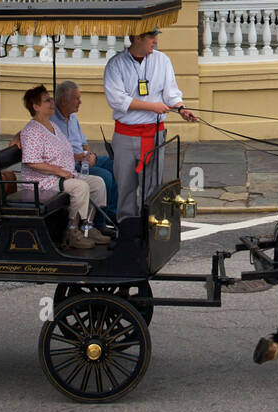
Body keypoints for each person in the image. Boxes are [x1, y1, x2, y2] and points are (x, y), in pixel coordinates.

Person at [103, 28, 197, 222]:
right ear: (138, 38)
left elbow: (171, 93)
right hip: (125, 136)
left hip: (154, 135)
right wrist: (152, 106)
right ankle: (126, 232)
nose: (155, 41)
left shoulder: (162, 60)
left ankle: (150, 230)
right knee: (126, 188)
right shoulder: (116, 64)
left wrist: (181, 108)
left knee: (153, 189)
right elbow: (118, 100)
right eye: (151, 37)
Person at [19, 85, 110, 252]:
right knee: (80, 187)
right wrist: (59, 171)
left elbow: (64, 153)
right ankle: (71, 232)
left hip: (66, 176)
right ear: (36, 106)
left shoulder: (53, 126)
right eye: (47, 100)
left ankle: (87, 227)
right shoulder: (32, 131)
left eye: (51, 99)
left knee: (98, 183)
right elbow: (32, 162)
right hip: (44, 182)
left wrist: (78, 158)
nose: (52, 102)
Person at [52, 79, 117, 217]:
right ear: (64, 101)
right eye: (76, 98)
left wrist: (90, 154)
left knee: (117, 166)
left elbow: (83, 141)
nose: (80, 102)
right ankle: (101, 221)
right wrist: (81, 159)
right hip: (71, 165)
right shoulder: (51, 121)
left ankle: (113, 214)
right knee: (105, 176)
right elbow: (56, 154)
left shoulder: (73, 117)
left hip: (85, 159)